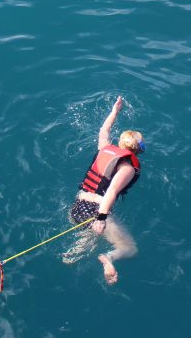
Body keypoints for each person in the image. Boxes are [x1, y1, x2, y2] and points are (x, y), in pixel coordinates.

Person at [64, 96, 145, 284]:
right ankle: (107, 258)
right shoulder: (127, 168)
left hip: (78, 206)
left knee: (87, 241)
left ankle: (71, 256)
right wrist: (101, 218)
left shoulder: (106, 148)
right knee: (129, 247)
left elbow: (104, 130)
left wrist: (114, 112)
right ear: (138, 151)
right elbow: (111, 191)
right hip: (95, 211)